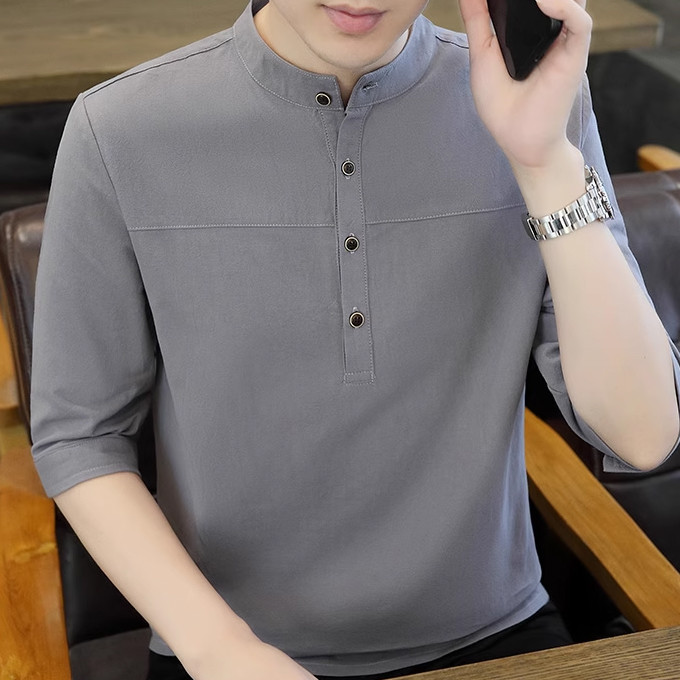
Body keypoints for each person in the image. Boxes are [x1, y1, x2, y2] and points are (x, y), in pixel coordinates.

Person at [30, 1, 680, 679]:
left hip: (495, 633)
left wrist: (544, 163)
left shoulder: (539, 100)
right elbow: (80, 433)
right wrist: (220, 649)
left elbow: (642, 437)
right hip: (226, 651)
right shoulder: (118, 129)